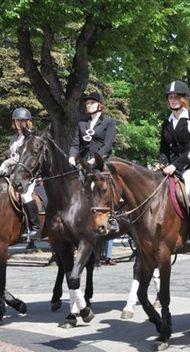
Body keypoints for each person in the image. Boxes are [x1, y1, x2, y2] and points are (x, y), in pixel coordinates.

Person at [69, 92, 117, 265]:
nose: (88, 105)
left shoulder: (109, 122)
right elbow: (75, 143)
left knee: (107, 189)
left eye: (92, 103)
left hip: (101, 162)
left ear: (100, 105)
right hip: (83, 163)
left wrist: (94, 159)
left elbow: (108, 144)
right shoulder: (82, 123)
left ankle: (114, 218)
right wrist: (72, 157)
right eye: (87, 103)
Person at [158, 80, 190, 247]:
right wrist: (162, 162)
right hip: (169, 166)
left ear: (183, 99)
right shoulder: (166, 122)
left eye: (176, 97)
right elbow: (163, 148)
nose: (173, 100)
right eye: (170, 97)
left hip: (189, 165)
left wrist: (175, 165)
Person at [0, 107, 41, 239]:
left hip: (27, 174)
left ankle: (35, 227)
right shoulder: (13, 138)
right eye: (17, 121)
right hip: (13, 172)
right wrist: (4, 168)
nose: (19, 123)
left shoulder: (32, 137)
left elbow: (21, 156)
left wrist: (6, 163)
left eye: (22, 121)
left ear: (28, 122)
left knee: (25, 195)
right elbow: (10, 154)